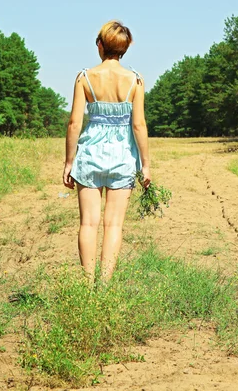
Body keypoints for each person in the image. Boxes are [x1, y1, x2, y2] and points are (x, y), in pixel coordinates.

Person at [63, 20, 150, 282]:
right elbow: (138, 125)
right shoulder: (135, 80)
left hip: (89, 155)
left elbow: (75, 123)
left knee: (88, 224)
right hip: (123, 157)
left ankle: (88, 286)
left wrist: (69, 162)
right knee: (114, 225)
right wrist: (145, 164)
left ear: (100, 45)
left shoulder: (84, 78)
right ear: (124, 48)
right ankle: (105, 285)